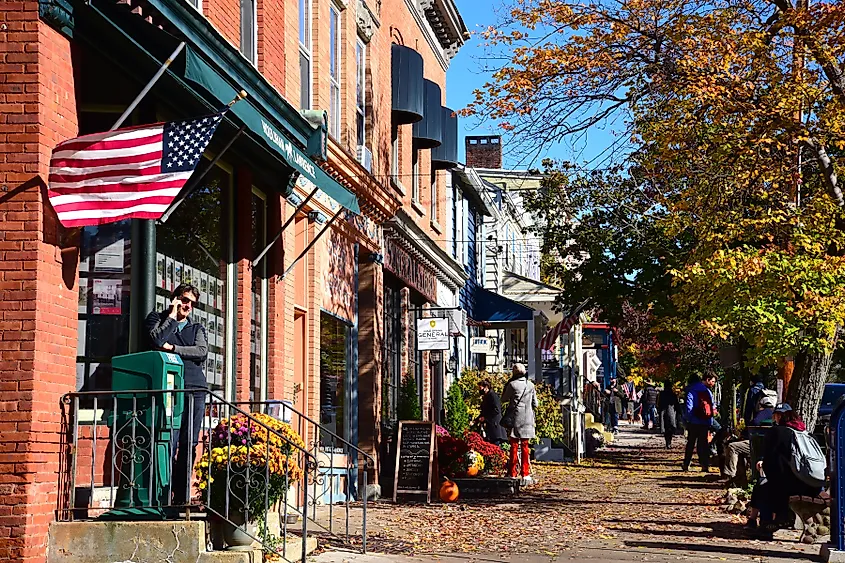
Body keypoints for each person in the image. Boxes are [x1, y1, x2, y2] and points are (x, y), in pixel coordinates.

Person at [146, 283, 208, 505]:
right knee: (167, 439)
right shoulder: (157, 319)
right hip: (168, 389)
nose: (187, 305)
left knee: (188, 442)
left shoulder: (197, 329)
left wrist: (174, 349)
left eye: (191, 302)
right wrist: (171, 317)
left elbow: (201, 351)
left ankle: (181, 497)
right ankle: (163, 494)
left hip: (194, 389)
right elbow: (155, 340)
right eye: (183, 299)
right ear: (174, 299)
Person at [750, 405, 823, 529]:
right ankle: (773, 519)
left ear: (779, 416)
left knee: (763, 487)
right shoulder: (807, 434)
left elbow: (771, 463)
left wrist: (764, 467)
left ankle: (765, 523)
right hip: (813, 485)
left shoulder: (776, 432)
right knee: (769, 486)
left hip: (790, 487)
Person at [723, 394, 776, 487]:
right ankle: (740, 477)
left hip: (756, 444)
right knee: (739, 449)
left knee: (733, 447)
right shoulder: (774, 413)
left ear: (761, 405)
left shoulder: (762, 413)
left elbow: (752, 426)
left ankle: (730, 475)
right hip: (767, 446)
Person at [501, 363, 538, 484]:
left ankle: (512, 473)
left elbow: (504, 399)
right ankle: (525, 473)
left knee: (514, 446)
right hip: (528, 419)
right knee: (525, 446)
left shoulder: (512, 385)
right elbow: (535, 404)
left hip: (516, 418)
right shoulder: (530, 385)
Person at [683, 372, 717, 472]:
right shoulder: (707, 391)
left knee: (690, 444)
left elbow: (689, 407)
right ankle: (704, 465)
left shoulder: (691, 391)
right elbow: (711, 407)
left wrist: (688, 419)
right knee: (703, 444)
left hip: (694, 422)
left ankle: (686, 464)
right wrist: (710, 422)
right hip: (705, 422)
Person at [476, 379, 507, 446]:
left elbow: (496, 410)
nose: (479, 390)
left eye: (480, 388)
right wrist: (476, 420)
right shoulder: (486, 397)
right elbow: (484, 412)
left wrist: (485, 418)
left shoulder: (493, 396)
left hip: (495, 427)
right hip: (490, 428)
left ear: (486, 387)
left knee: (495, 447)